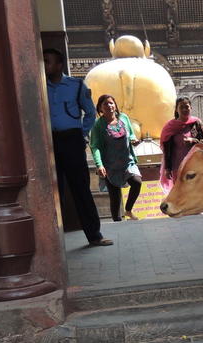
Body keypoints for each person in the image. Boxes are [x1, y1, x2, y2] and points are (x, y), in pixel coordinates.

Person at [43, 48, 113, 246]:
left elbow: (90, 113)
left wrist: (82, 133)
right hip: (49, 141)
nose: (44, 65)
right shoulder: (40, 86)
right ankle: (53, 239)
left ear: (59, 64)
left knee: (80, 188)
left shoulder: (76, 86)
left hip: (72, 140)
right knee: (53, 190)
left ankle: (94, 235)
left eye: (48, 61)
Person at [90, 94, 142, 222]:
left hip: (127, 161)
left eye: (111, 103)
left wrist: (133, 140)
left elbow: (130, 134)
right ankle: (117, 224)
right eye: (105, 104)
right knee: (115, 197)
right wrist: (99, 165)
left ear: (115, 105)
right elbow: (95, 146)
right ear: (100, 108)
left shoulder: (123, 118)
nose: (109, 106)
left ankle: (128, 210)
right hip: (110, 165)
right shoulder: (98, 125)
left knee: (137, 182)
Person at [159, 97, 203, 193]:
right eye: (181, 107)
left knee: (196, 193)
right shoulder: (170, 127)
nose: (184, 110)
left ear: (191, 108)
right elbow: (167, 150)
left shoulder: (196, 123)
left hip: (195, 166)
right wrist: (167, 168)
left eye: (186, 107)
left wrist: (193, 141)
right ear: (176, 109)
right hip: (177, 167)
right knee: (180, 194)